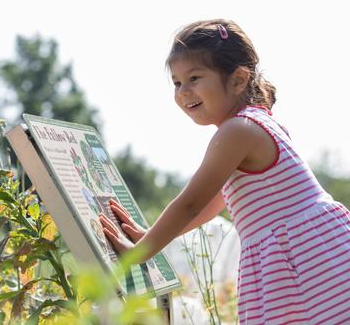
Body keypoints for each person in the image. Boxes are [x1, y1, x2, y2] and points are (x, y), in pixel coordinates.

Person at [99, 19, 350, 324]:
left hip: (301, 254)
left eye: (194, 78)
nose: (183, 92)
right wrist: (149, 237)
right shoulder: (254, 122)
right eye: (177, 83)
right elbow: (210, 204)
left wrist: (139, 252)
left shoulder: (237, 131)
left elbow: (190, 204)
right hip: (313, 248)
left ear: (238, 80)